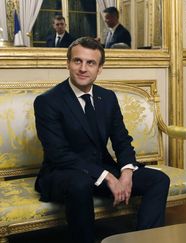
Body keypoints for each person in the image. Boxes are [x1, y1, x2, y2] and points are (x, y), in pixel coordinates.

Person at [34, 37, 169, 243]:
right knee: (80, 184)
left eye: (91, 63)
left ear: (100, 69)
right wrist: (107, 176)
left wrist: (125, 173)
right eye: (77, 61)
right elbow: (59, 154)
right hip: (63, 173)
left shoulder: (107, 98)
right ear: (68, 63)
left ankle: (145, 239)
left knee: (158, 180)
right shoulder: (48, 101)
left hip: (99, 168)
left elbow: (122, 140)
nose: (83, 68)